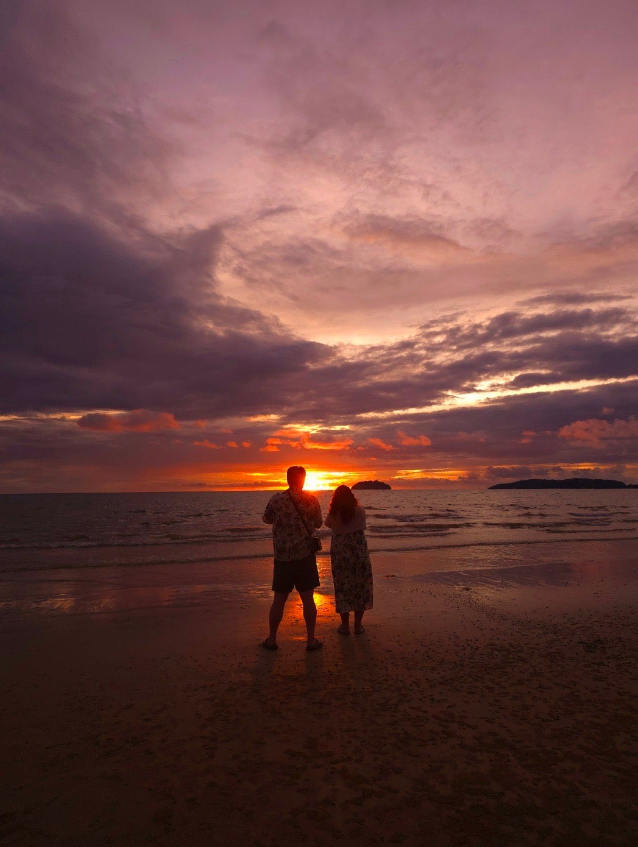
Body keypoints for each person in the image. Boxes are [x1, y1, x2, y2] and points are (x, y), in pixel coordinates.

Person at [262, 466, 323, 651]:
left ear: (288, 479)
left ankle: (272, 639)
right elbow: (319, 523)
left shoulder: (276, 499)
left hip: (282, 558)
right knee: (308, 600)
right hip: (304, 556)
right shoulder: (311, 500)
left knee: (279, 600)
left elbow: (267, 519)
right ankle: (310, 640)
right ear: (303, 479)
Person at [325, 485, 373, 635]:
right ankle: (358, 626)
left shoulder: (333, 513)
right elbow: (361, 526)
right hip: (359, 553)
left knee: (343, 587)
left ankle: (345, 626)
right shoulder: (360, 510)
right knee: (360, 587)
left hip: (341, 555)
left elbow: (327, 524)